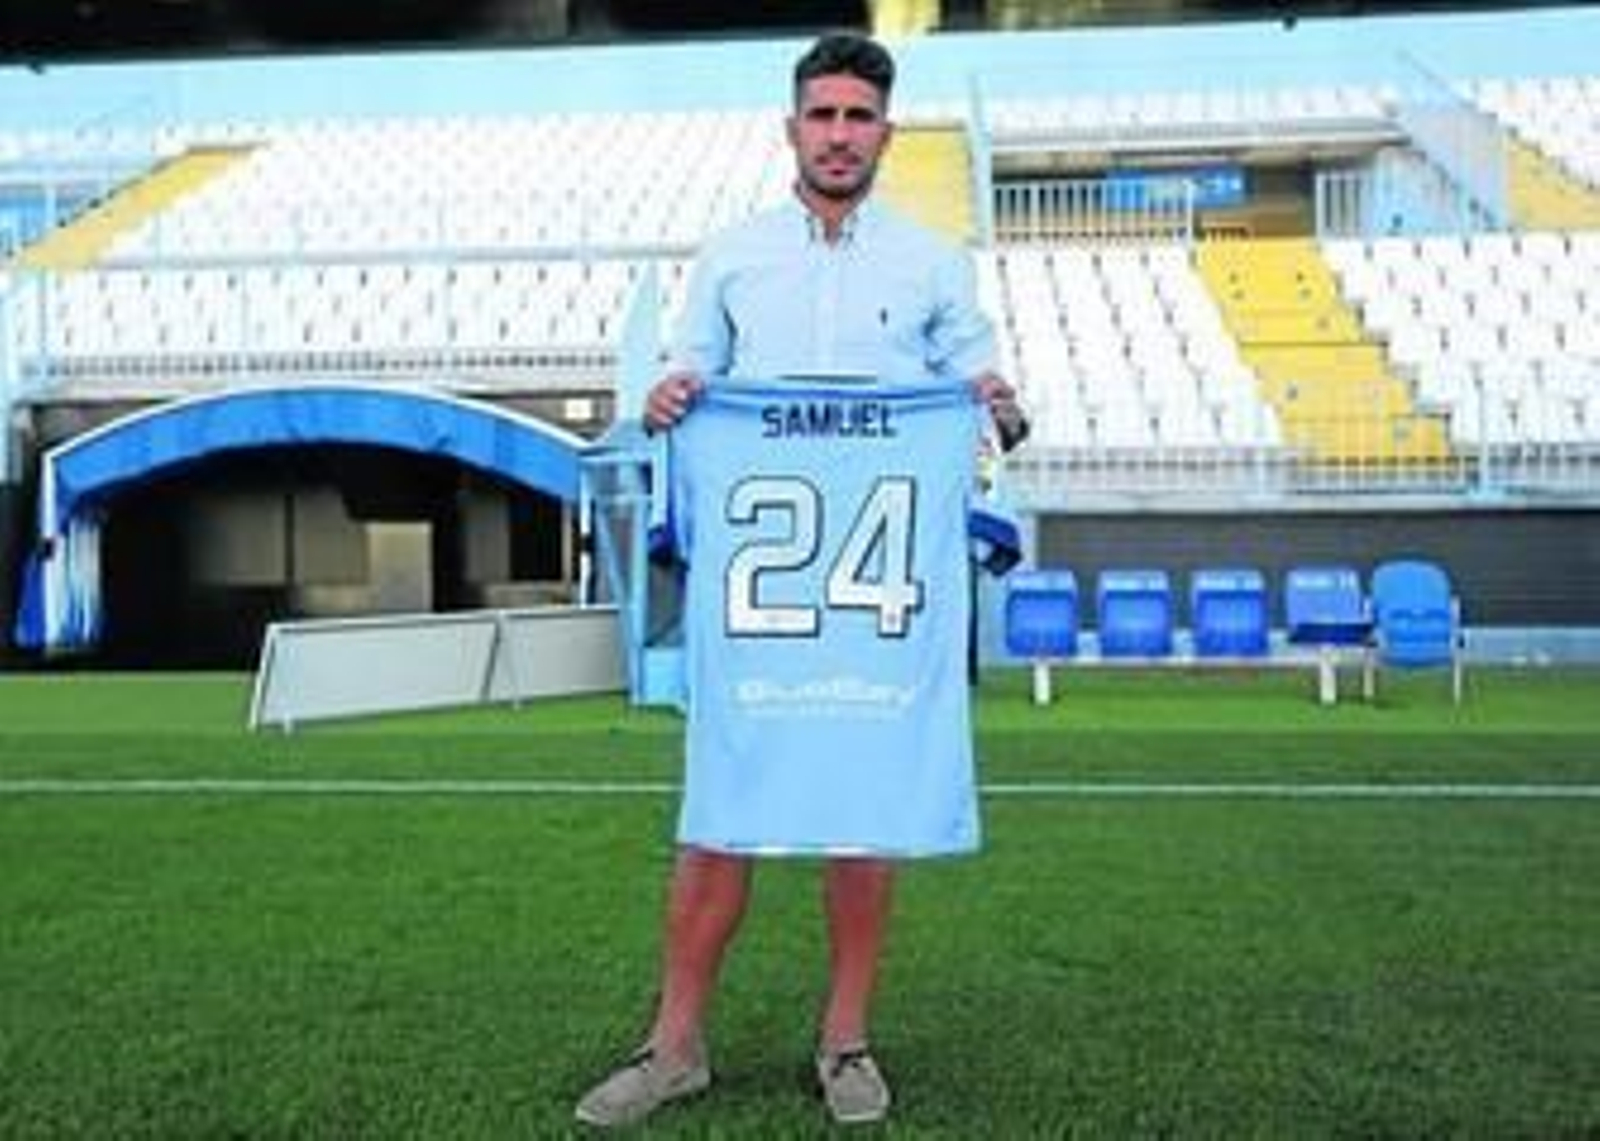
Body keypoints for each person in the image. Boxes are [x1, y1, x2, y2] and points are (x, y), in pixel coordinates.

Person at [575, 31, 1028, 1129]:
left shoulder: (930, 261)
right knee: (719, 812)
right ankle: (673, 1043)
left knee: (861, 818)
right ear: (792, 128)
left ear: (884, 131)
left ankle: (846, 1042)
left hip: (875, 599)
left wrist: (999, 409)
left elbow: (983, 393)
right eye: (821, 116)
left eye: (857, 117)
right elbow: (685, 380)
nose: (838, 135)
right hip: (762, 595)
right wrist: (673, 400)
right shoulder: (732, 257)